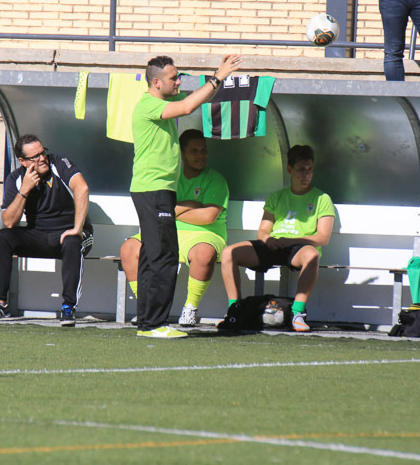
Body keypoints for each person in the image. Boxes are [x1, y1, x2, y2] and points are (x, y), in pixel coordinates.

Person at [131, 54, 243, 339]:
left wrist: (217, 81)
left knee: (152, 256)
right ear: (156, 82)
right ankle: (154, 324)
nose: (179, 81)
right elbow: (188, 106)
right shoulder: (150, 104)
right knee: (163, 257)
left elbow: (194, 100)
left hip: (156, 190)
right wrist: (218, 77)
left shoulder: (162, 103)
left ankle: (147, 322)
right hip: (153, 189)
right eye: (174, 77)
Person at [219, 145, 335, 332]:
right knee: (228, 253)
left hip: (299, 247)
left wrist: (291, 241)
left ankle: (297, 313)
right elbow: (263, 231)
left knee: (312, 255)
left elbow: (323, 238)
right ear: (289, 169)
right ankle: (235, 311)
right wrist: (267, 240)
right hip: (274, 245)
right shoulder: (276, 197)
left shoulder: (322, 198)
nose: (306, 174)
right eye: (301, 169)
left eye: (310, 169)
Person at [121, 129, 229, 327]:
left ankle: (190, 309)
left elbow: (208, 216)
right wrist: (189, 205)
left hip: (205, 235)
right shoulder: (171, 178)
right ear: (182, 153)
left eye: (204, 150)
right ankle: (146, 307)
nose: (201, 155)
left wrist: (173, 210)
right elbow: (155, 210)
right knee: (129, 248)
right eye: (194, 151)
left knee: (204, 253)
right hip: (168, 231)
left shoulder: (216, 179)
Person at [0, 134, 93, 327]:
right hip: (39, 234)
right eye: (35, 157)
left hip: (69, 233)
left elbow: (82, 189)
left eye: (43, 153)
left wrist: (77, 228)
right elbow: (9, 221)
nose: (42, 159)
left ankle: (68, 307)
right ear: (23, 161)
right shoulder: (16, 178)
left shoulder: (58, 164)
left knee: (72, 242)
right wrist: (24, 190)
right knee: (3, 237)